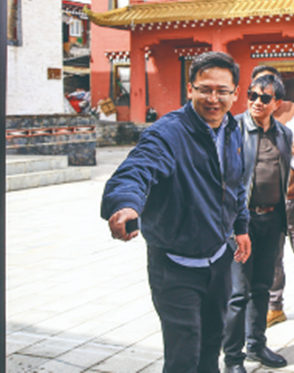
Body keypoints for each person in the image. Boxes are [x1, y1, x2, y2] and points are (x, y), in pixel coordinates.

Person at [100, 51, 250, 373]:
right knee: (183, 356)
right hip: (175, 264)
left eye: (222, 91)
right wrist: (125, 203)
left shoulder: (232, 129)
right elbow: (137, 169)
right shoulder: (168, 133)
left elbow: (235, 183)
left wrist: (241, 226)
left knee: (212, 345)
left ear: (235, 93)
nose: (213, 99)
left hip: (218, 259)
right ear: (190, 89)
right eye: (205, 89)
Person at [222, 74, 293, 372]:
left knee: (263, 287)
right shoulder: (232, 128)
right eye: (252, 95)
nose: (256, 102)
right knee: (238, 292)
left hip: (272, 219)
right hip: (242, 223)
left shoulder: (284, 134)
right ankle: (232, 357)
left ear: (277, 103)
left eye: (265, 98)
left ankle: (256, 344)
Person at [250, 65, 294, 331]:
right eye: (256, 90)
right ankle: (273, 306)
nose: (261, 96)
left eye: (268, 88)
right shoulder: (251, 118)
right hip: (269, 201)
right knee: (271, 257)